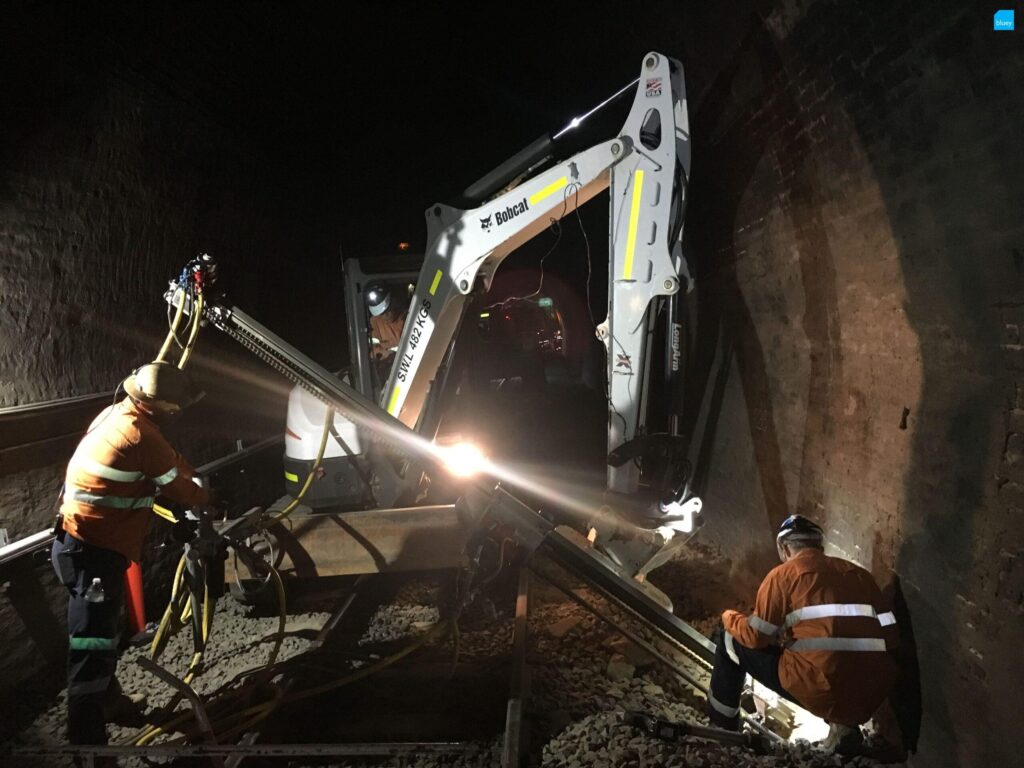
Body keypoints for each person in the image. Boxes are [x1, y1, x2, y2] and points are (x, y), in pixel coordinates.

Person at [51, 361, 214, 750]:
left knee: (103, 634)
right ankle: (87, 744)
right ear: (165, 408)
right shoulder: (140, 435)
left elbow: (167, 465)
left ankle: (110, 703)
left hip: (82, 545)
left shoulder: (117, 414)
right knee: (91, 645)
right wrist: (210, 498)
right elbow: (177, 484)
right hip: (91, 555)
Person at [706, 514, 898, 755]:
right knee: (833, 660)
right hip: (871, 692)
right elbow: (891, 638)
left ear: (785, 548)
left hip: (822, 688)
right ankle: (844, 728)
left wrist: (728, 617)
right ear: (819, 546)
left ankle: (721, 729)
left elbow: (755, 636)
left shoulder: (783, 575)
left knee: (729, 638)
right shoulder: (860, 576)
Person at [365, 281, 407, 362]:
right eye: (383, 313)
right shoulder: (375, 322)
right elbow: (372, 351)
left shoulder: (406, 317)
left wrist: (393, 353)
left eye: (388, 310)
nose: (387, 315)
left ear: (394, 302)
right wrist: (385, 353)